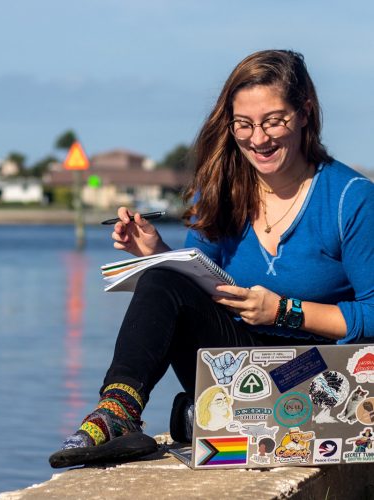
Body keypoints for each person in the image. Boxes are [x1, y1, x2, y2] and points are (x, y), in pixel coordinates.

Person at [49, 49, 374, 468]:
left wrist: (284, 312)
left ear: (305, 113)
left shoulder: (351, 198)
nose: (259, 139)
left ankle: (206, 417)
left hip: (317, 373)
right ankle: (118, 413)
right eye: (244, 124)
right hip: (235, 363)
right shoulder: (219, 190)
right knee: (162, 278)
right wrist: (158, 254)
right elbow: (201, 282)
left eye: (274, 120)